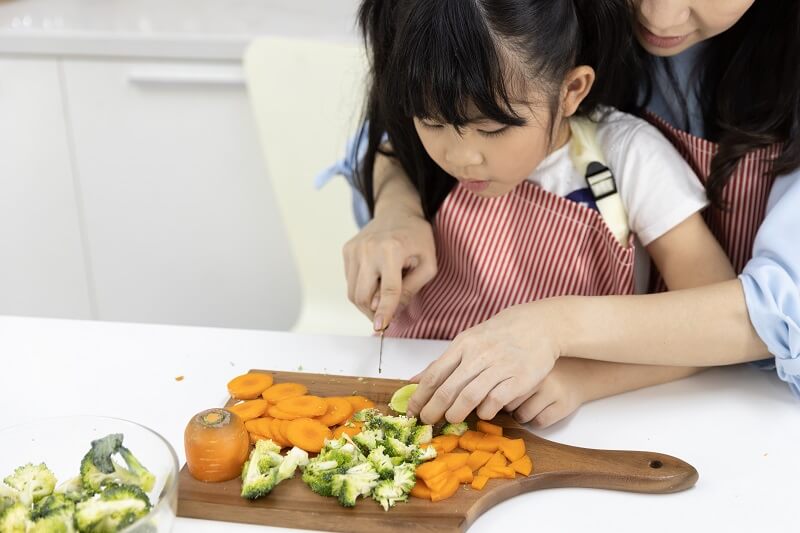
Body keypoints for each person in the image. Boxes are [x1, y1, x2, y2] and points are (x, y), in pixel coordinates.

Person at [328, 0, 800, 426]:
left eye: (492, 128)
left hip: (636, 415)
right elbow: (386, 145)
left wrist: (574, 366)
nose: (463, 158)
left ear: (573, 89)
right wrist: (396, 208)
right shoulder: (455, 69)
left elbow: (739, 310)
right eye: (431, 122)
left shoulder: (626, 154)